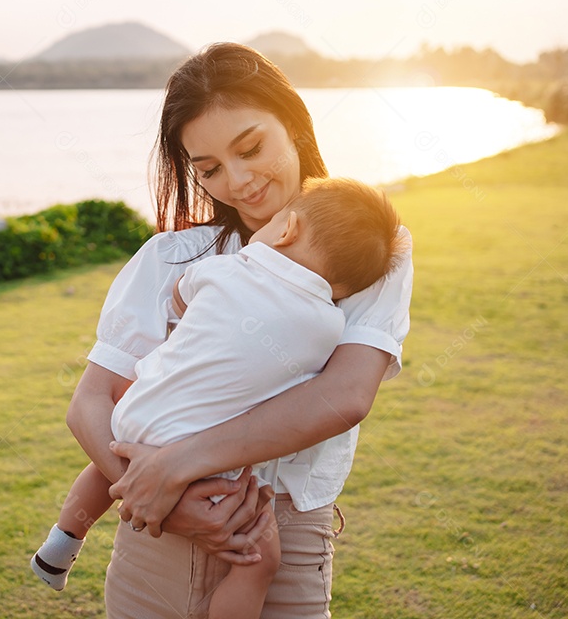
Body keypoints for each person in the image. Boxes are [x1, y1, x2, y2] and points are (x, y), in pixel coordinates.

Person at [65, 42, 414, 618]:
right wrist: (164, 500)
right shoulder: (171, 257)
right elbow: (92, 401)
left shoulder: (370, 251)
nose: (240, 180)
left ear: (294, 125)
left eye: (251, 148)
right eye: (210, 169)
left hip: (280, 544)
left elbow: (345, 396)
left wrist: (180, 464)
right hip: (154, 542)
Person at [31, 177, 405, 619]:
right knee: (259, 562)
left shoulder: (225, 268)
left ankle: (61, 544)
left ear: (285, 231)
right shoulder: (328, 325)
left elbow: (180, 298)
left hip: (138, 414)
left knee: (107, 465)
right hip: (207, 455)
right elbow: (322, 388)